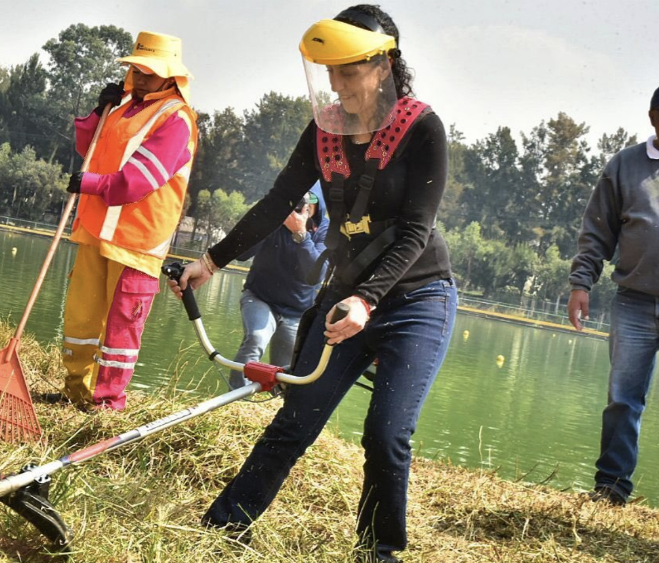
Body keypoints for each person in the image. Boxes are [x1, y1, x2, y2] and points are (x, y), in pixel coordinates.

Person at [169, 6, 455, 562]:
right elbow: (278, 202)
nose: (335, 83)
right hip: (343, 293)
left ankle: (379, 551)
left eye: (348, 71)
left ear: (383, 66)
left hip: (416, 298)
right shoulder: (325, 127)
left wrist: (368, 300)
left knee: (387, 435)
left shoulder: (423, 128)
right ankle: (224, 530)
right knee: (296, 418)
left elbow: (417, 230)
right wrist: (213, 260)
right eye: (329, 70)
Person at [55, 31, 198, 411]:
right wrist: (99, 112)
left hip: (136, 241)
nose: (140, 76)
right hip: (97, 230)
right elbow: (89, 149)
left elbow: (138, 181)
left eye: (150, 71)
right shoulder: (121, 108)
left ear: (170, 76)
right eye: (136, 68)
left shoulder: (176, 118)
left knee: (121, 329)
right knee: (82, 317)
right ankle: (75, 390)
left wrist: (89, 183)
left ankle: (107, 404)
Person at [568, 79, 659, 514]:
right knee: (623, 401)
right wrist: (581, 283)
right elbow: (598, 230)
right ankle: (611, 488)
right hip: (633, 300)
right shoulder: (625, 165)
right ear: (653, 117)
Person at [226, 185, 328, 390]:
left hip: (297, 311)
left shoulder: (323, 230)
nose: (304, 205)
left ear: (319, 207)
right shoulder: (273, 220)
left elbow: (316, 276)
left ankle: (276, 412)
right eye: (299, 199)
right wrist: (268, 221)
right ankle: (235, 400)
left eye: (311, 201)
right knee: (256, 337)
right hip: (259, 297)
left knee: (286, 372)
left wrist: (301, 234)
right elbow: (241, 253)